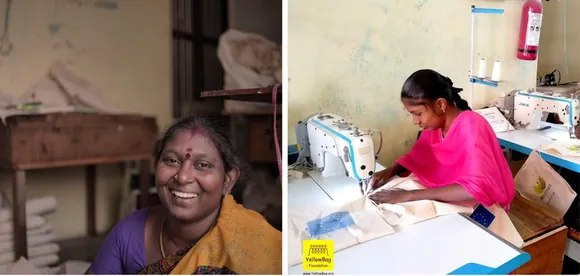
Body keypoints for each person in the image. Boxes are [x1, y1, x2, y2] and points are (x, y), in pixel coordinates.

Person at [86, 116, 282, 274]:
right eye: (171, 160)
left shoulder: (258, 245)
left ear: (228, 181)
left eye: (203, 165)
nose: (183, 177)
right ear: (156, 166)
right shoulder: (129, 233)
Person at [369, 69, 515, 211]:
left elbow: (475, 188)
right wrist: (390, 171)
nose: (415, 121)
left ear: (440, 105)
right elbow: (417, 157)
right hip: (449, 195)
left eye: (418, 114)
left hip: (481, 206)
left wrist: (410, 195)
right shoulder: (434, 127)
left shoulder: (472, 126)